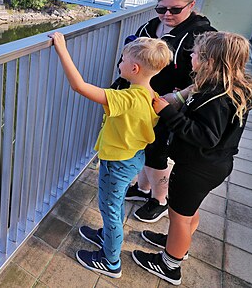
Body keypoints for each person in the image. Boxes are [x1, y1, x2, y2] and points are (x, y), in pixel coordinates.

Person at [132, 32, 252, 285]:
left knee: (180, 217)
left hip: (198, 167)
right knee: (186, 212)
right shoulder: (222, 88)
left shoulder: (215, 98)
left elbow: (206, 136)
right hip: (211, 166)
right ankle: (177, 244)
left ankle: (169, 265)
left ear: (209, 61)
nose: (191, 56)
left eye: (195, 54)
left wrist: (168, 114)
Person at [49, 32, 171, 278]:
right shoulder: (151, 95)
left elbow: (79, 86)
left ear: (134, 68)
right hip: (132, 156)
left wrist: (61, 48)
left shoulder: (127, 98)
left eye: (122, 59)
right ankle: (106, 237)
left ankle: (110, 260)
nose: (119, 63)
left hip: (118, 163)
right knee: (111, 205)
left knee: (111, 210)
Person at [121, 0, 217, 223]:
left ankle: (160, 199)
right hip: (143, 101)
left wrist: (178, 97)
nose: (167, 15)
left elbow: (208, 78)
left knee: (157, 151)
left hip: (169, 105)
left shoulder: (202, 35)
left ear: (192, 5)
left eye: (175, 10)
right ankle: (143, 190)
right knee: (145, 146)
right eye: (161, 9)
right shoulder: (150, 27)